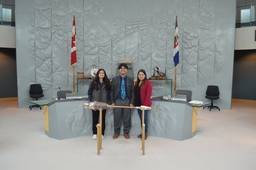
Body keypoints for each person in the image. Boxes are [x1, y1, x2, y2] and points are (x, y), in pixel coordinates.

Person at [111, 63, 134, 139]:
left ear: (127, 70)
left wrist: (131, 103)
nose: (123, 69)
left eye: (124, 68)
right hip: (117, 100)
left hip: (127, 100)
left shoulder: (130, 79)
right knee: (117, 117)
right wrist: (112, 102)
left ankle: (126, 132)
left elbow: (132, 92)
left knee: (127, 117)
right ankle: (116, 132)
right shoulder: (114, 79)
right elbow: (111, 91)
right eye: (121, 68)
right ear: (119, 70)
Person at [88, 69, 111, 140]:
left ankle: (101, 133)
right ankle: (95, 133)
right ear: (98, 74)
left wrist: (108, 102)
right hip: (95, 103)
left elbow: (109, 93)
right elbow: (89, 92)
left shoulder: (107, 83)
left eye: (103, 73)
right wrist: (91, 101)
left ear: (104, 74)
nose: (101, 74)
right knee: (95, 119)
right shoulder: (93, 83)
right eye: (100, 73)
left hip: (103, 104)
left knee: (102, 119)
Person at [134, 69, 152, 140]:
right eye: (139, 74)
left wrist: (145, 105)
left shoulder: (148, 82)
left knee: (145, 119)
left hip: (144, 105)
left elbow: (148, 94)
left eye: (142, 74)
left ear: (145, 75)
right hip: (138, 104)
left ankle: (145, 133)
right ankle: (142, 132)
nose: (141, 76)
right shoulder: (136, 83)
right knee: (141, 119)